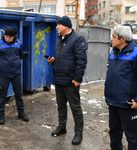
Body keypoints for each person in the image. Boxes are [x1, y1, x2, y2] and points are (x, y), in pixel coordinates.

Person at [47, 16, 87, 145]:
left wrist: (77, 79)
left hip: (70, 81)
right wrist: (53, 61)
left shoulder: (78, 39)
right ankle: (62, 127)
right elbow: (63, 58)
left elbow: (81, 61)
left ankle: (78, 133)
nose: (56, 27)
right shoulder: (59, 39)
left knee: (75, 108)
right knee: (61, 106)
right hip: (59, 78)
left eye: (59, 25)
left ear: (66, 26)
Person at [105, 25, 137, 150]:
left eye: (114, 37)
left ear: (123, 39)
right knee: (114, 133)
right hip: (113, 101)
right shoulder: (113, 52)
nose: (111, 39)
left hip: (129, 103)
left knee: (132, 136)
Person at [0, 26, 29, 125]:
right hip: (4, 74)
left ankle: (21, 113)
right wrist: (2, 64)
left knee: (18, 94)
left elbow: (20, 56)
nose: (8, 39)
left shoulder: (18, 43)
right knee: (2, 95)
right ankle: (1, 115)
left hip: (16, 74)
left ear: (14, 37)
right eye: (6, 36)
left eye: (10, 37)